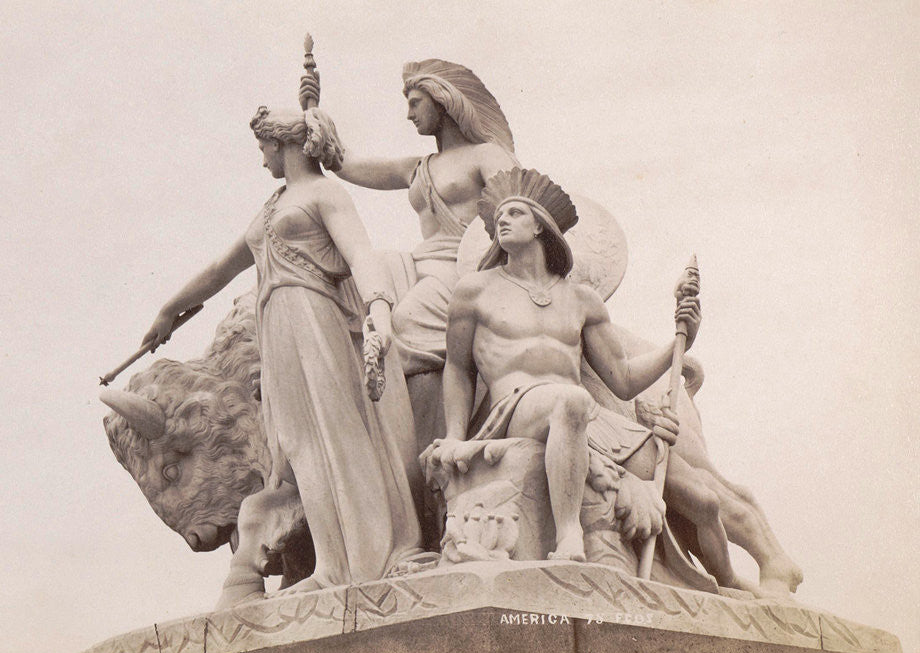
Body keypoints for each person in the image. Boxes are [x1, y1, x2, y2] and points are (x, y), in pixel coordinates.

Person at [431, 168, 758, 594]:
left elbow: (623, 379)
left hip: (586, 417)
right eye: (499, 217)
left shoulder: (581, 299)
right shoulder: (474, 290)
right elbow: (458, 368)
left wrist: (678, 343)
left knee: (702, 499)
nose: (501, 222)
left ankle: (727, 583)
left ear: (540, 227)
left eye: (514, 213)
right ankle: (569, 535)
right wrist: (455, 435)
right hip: (515, 409)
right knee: (569, 400)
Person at [141, 104, 422, 592]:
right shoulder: (272, 205)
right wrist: (169, 310)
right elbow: (220, 270)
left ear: (281, 143)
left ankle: (369, 556)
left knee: (337, 433)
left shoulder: (326, 193)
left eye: (263, 148)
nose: (262, 159)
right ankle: (331, 566)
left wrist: (379, 309)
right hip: (277, 328)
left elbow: (360, 254)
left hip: (316, 317)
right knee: (298, 445)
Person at [303, 60, 519, 445]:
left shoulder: (486, 155)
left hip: (463, 271)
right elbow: (343, 163)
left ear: (443, 101)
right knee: (359, 284)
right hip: (419, 265)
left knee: (401, 324)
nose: (409, 114)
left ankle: (412, 448)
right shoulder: (417, 168)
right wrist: (312, 112)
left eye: (415, 102)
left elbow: (519, 207)